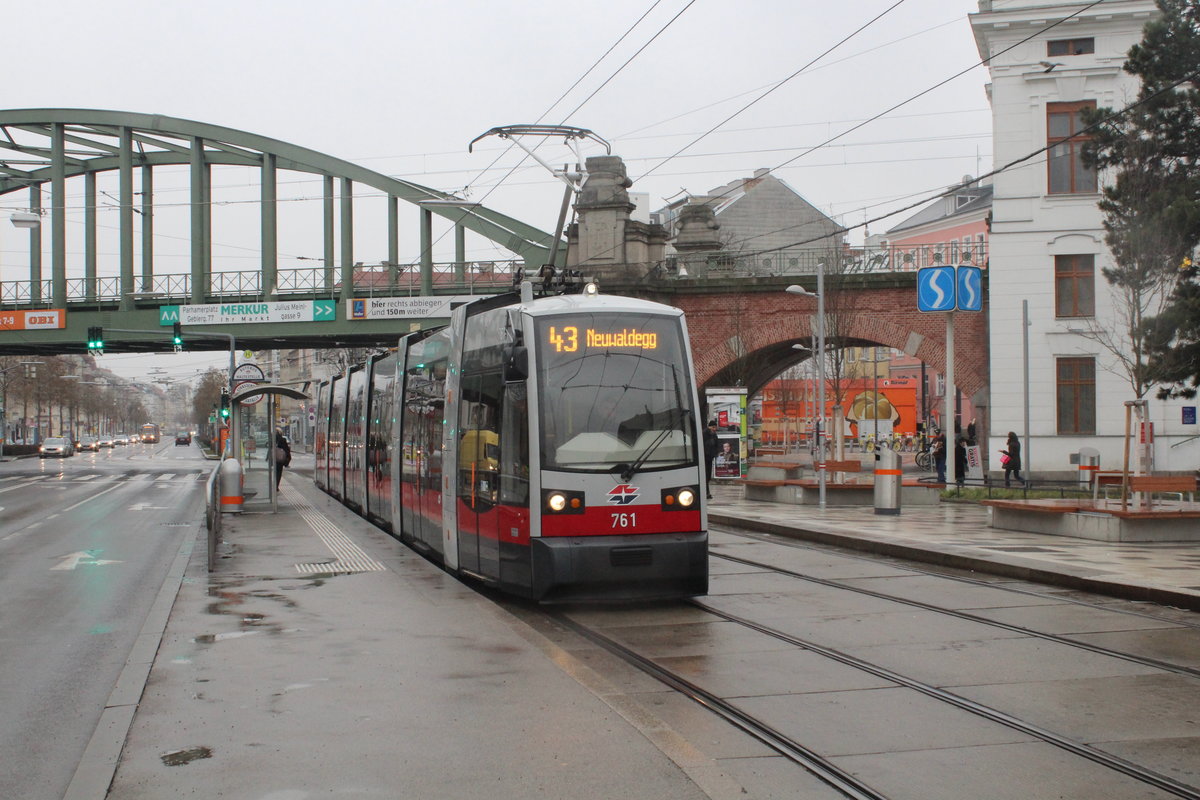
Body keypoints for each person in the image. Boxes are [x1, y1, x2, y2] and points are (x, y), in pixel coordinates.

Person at [702, 421, 719, 499]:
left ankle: (707, 493)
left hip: (709, 458)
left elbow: (716, 445)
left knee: (708, 476)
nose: (715, 429)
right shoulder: (704, 434)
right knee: (705, 476)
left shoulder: (713, 434)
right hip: (704, 458)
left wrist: (715, 454)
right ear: (710, 427)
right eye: (713, 427)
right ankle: (706, 493)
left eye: (715, 427)